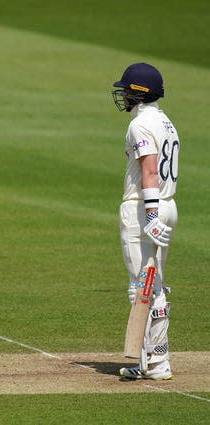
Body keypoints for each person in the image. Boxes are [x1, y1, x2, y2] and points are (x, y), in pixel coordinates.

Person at [111, 63, 179, 380]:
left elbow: (149, 170)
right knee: (153, 283)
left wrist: (150, 214)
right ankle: (147, 358)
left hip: (144, 207)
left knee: (143, 286)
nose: (122, 95)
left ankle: (155, 360)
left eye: (126, 90)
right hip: (168, 203)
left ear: (138, 93)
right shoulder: (165, 122)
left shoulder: (140, 126)